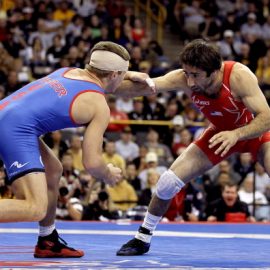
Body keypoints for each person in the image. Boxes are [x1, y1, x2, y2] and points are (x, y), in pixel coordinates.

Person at [116, 39, 270, 256]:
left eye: (195, 75)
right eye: (187, 73)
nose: (189, 82)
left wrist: (236, 134)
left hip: (256, 133)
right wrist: (104, 82)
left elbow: (266, 117)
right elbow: (142, 88)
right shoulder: (183, 77)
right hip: (219, 135)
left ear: (215, 71)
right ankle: (143, 237)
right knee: (167, 182)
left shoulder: (239, 76)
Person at [0, 41, 153, 258]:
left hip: (6, 114)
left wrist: (129, 74)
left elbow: (103, 73)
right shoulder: (99, 105)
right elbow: (91, 163)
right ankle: (46, 235)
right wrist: (108, 174)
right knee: (35, 207)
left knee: (53, 170)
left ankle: (48, 239)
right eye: (123, 75)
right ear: (114, 74)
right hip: (15, 130)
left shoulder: (69, 71)